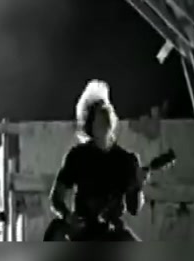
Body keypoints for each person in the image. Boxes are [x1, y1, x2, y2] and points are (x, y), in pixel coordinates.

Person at [47, 80, 147, 241]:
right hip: (83, 232)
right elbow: (56, 198)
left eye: (107, 115)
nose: (104, 120)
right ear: (90, 125)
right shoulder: (77, 156)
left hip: (112, 233)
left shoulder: (126, 160)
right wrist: (67, 216)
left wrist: (138, 186)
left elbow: (133, 209)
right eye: (99, 118)